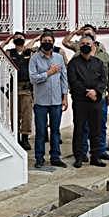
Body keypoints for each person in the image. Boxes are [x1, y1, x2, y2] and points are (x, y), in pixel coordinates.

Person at [63, 25, 109, 162]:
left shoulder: (99, 62)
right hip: (80, 101)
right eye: (83, 44)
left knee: (96, 129)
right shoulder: (74, 63)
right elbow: (73, 82)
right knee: (79, 130)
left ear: (93, 46)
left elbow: (103, 79)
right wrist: (87, 92)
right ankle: (79, 157)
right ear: (80, 46)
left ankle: (96, 157)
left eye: (88, 44)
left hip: (96, 100)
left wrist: (96, 92)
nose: (86, 45)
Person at [29, 31, 68, 169]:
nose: (47, 43)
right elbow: (33, 78)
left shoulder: (58, 57)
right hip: (41, 101)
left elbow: (64, 78)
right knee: (41, 131)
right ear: (40, 42)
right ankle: (39, 158)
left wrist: (65, 97)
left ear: (53, 42)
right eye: (44, 40)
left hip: (56, 100)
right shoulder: (34, 58)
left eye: (49, 40)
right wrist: (48, 73)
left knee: (56, 131)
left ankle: (55, 157)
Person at [3, 31, 38, 151]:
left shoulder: (29, 52)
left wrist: (34, 40)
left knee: (27, 115)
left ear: (24, 40)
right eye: (16, 38)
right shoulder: (9, 52)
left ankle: (25, 138)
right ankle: (16, 137)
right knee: (14, 114)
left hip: (26, 88)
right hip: (14, 88)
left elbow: (34, 47)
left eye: (21, 37)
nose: (19, 39)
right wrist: (5, 42)